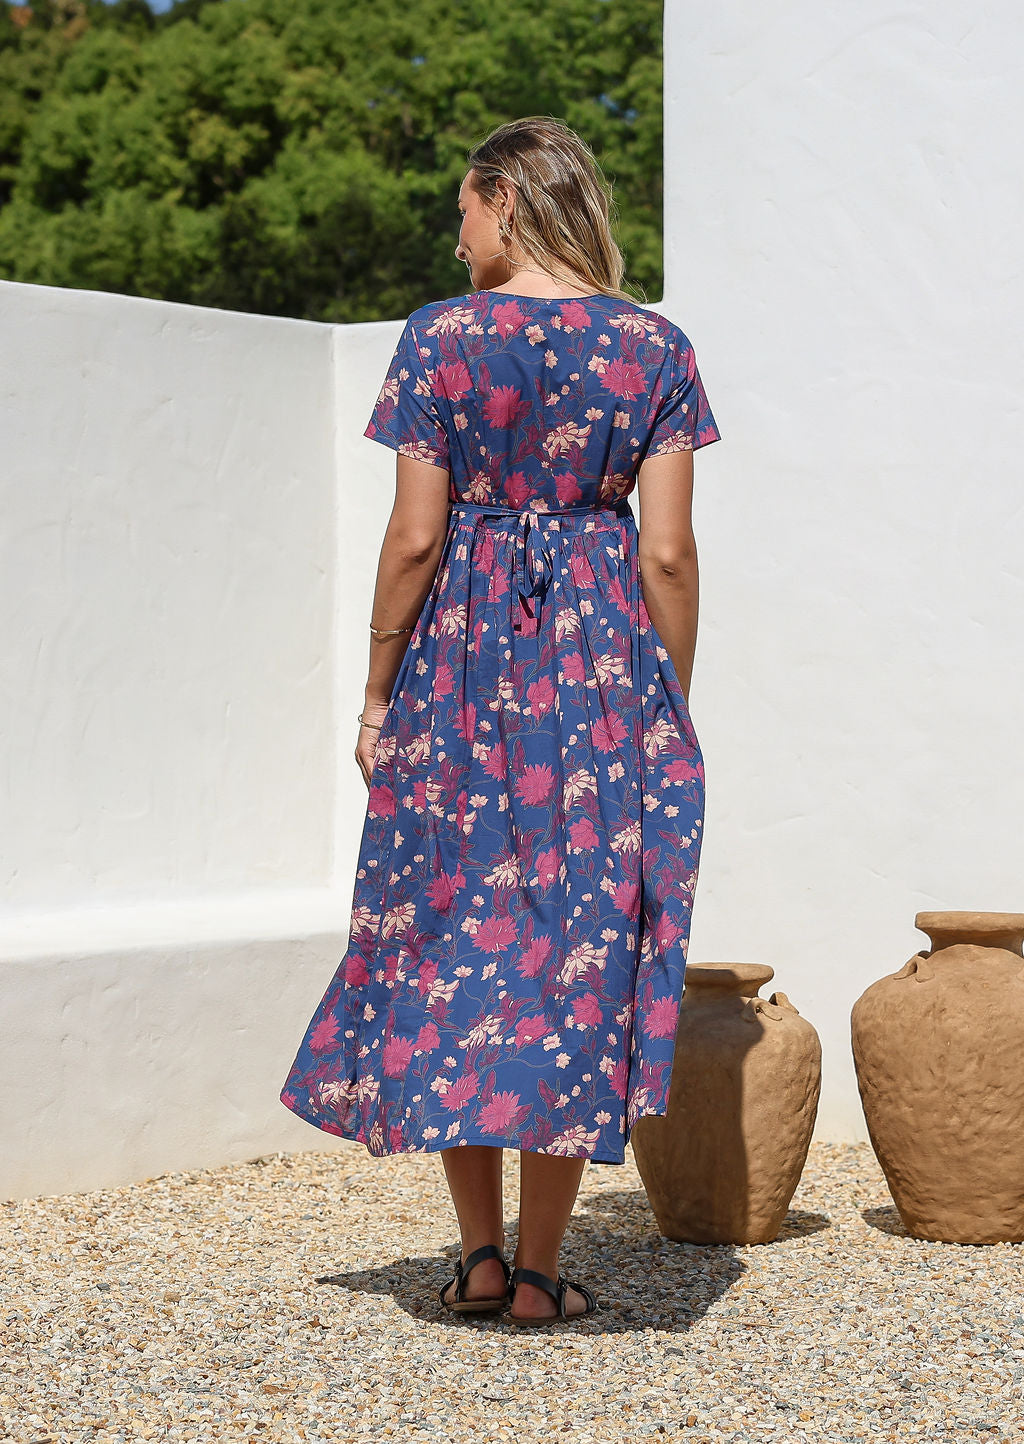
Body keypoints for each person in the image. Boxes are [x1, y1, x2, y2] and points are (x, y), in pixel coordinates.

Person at [280, 116, 721, 1325]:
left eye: (463, 208)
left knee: (445, 941)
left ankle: (474, 1259)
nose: (454, 229)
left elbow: (415, 536)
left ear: (504, 203)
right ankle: (537, 1273)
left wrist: (375, 689)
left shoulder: (442, 340)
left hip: (460, 678)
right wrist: (660, 700)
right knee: (575, 952)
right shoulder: (656, 348)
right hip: (597, 683)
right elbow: (669, 554)